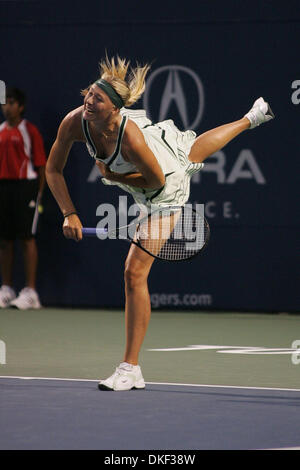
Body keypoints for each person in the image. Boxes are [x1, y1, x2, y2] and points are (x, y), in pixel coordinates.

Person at [46, 55, 274, 391]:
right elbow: (53, 170)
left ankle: (130, 368)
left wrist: (111, 175)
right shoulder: (75, 122)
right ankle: (251, 118)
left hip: (164, 189)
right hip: (156, 150)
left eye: (98, 98)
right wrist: (69, 212)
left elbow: (156, 184)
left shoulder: (130, 138)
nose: (88, 102)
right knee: (191, 150)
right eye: (89, 94)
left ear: (115, 109)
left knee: (133, 272)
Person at [0, 87, 46, 309]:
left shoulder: (30, 131)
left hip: (26, 188)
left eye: (11, 103)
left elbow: (41, 164)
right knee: (5, 240)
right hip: (3, 187)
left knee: (27, 238)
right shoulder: (0, 131)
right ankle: (7, 289)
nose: (6, 107)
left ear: (20, 107)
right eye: (4, 103)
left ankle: (31, 292)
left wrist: (38, 194)